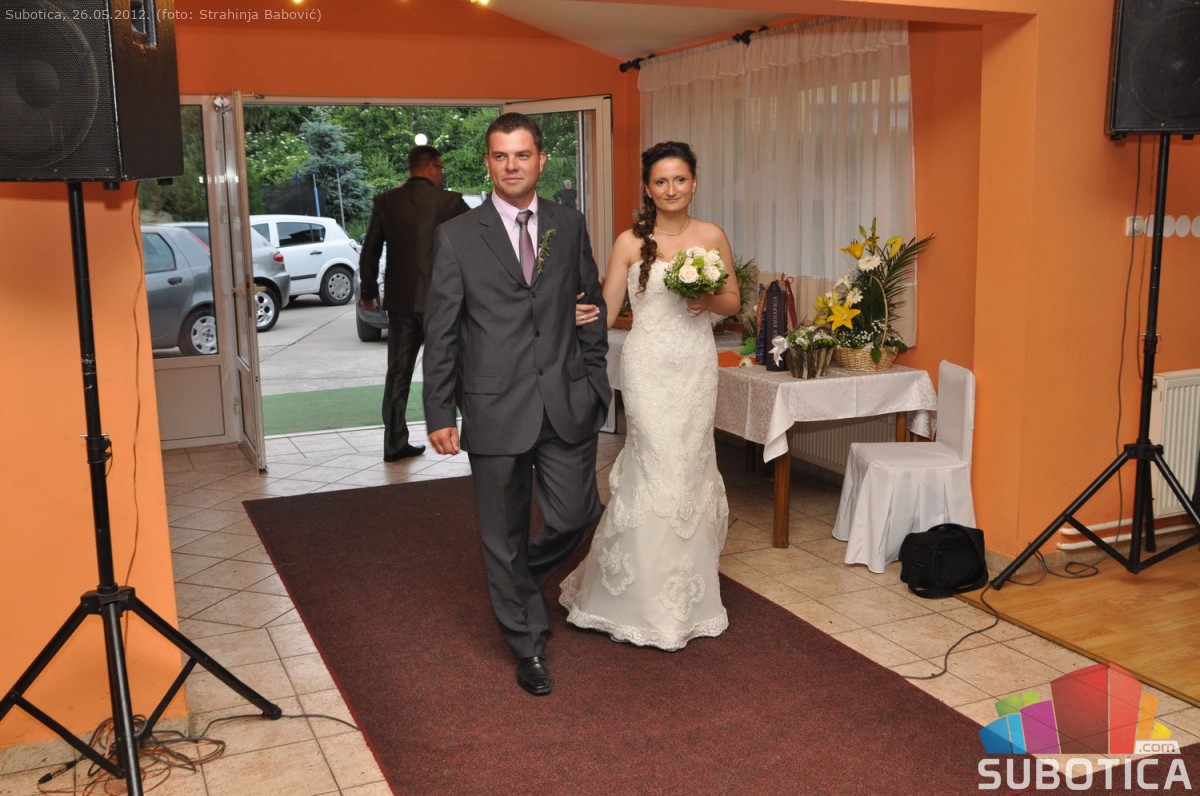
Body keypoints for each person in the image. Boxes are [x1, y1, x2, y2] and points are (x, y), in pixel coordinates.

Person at [422, 113, 611, 696]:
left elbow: (591, 304)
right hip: (494, 405)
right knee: (501, 533)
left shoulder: (568, 223)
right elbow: (442, 330)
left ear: (541, 160)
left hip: (565, 398)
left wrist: (594, 380)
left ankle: (518, 581)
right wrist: (439, 411)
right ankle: (526, 643)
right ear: (487, 163)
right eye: (500, 156)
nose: (511, 166)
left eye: (522, 155)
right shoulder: (457, 235)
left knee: (576, 515)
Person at [560, 141, 739, 651]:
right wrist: (569, 318)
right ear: (648, 188)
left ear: (694, 183)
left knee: (690, 467)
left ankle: (685, 594)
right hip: (647, 367)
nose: (671, 189)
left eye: (679, 179)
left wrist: (706, 299)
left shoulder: (711, 235)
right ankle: (631, 595)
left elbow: (732, 300)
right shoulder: (628, 242)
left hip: (695, 365)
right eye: (661, 181)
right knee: (657, 465)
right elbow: (607, 308)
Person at [359, 145, 470, 462]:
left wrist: (369, 290)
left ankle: (394, 443)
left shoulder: (386, 202)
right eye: (440, 168)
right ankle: (478, 438)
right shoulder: (451, 202)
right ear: (432, 167)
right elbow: (475, 246)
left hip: (402, 303)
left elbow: (370, 249)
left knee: (398, 374)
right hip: (443, 303)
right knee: (458, 370)